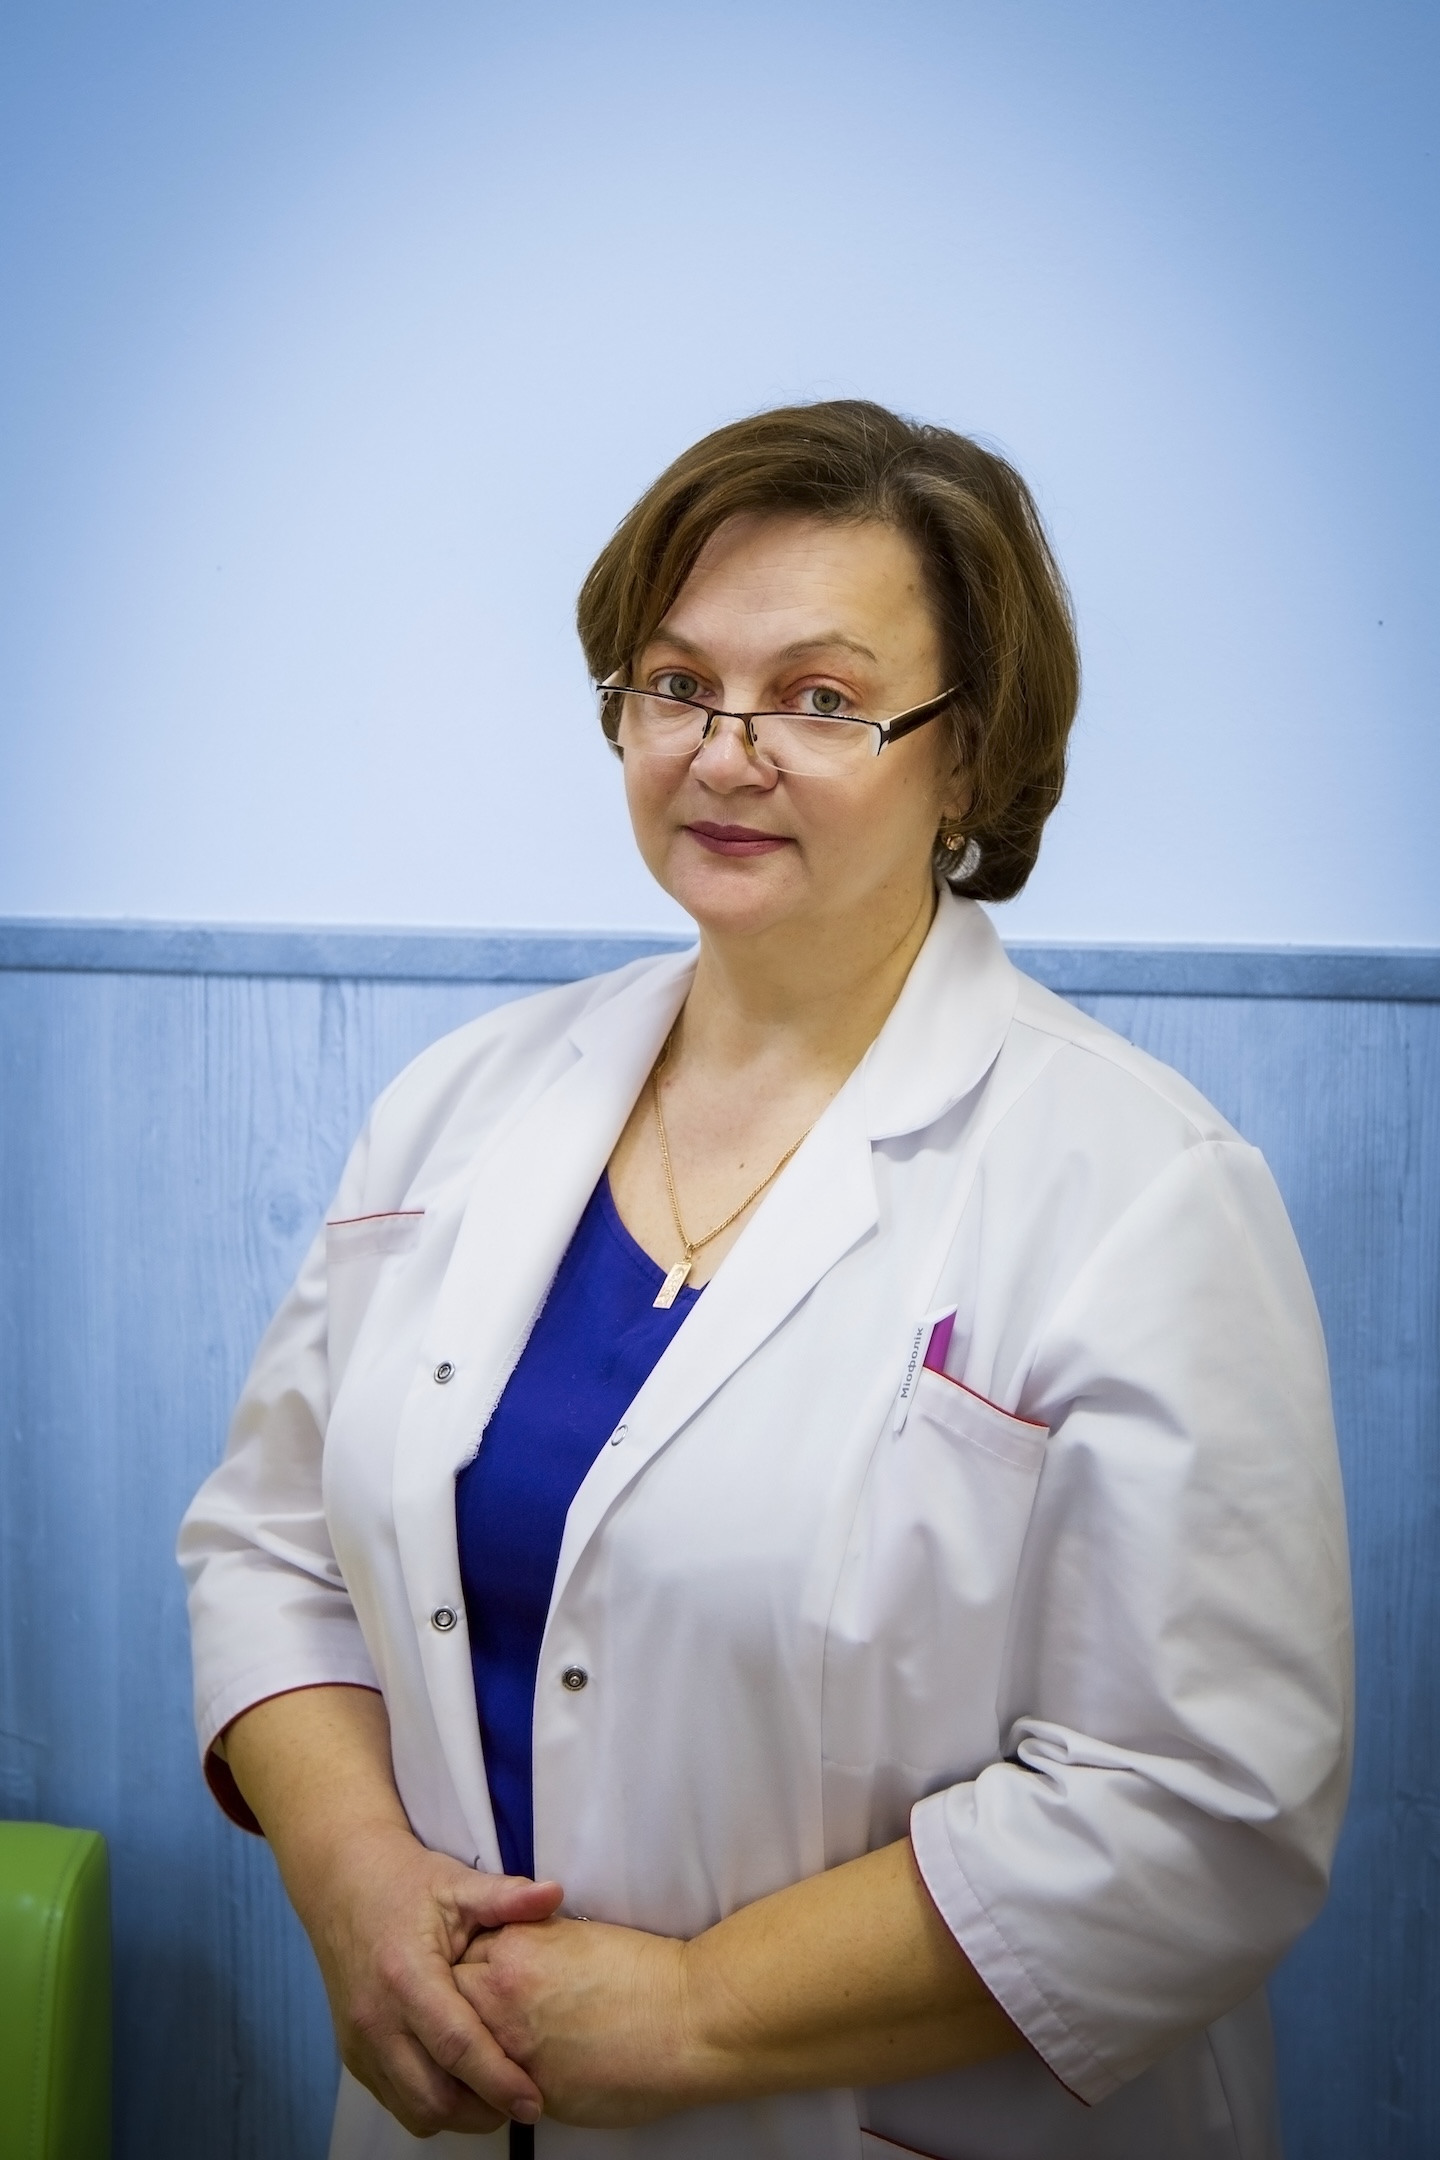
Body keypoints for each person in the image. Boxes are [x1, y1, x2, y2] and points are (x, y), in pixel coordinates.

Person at [178, 399, 1351, 2160]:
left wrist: (691, 2011)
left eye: (820, 698)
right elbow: (271, 1548)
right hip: (451, 2099)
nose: (726, 756)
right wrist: (353, 1887)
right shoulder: (458, 1108)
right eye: (676, 684)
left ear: (967, 758)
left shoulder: (1141, 1191)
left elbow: (1197, 1810)